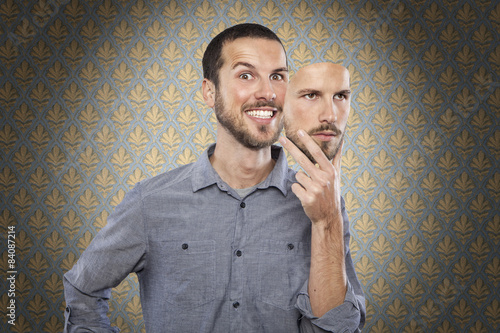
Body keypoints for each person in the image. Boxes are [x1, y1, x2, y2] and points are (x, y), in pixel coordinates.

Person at [63, 24, 365, 333]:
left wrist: (327, 221)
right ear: (210, 92)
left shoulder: (321, 201)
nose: (268, 92)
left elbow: (340, 328)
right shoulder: (150, 202)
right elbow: (83, 290)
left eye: (278, 76)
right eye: (246, 75)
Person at [280, 62, 365, 331]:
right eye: (311, 95)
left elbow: (339, 327)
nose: (330, 114)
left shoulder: (326, 199)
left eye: (340, 96)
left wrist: (328, 220)